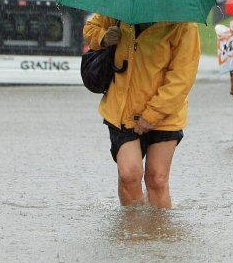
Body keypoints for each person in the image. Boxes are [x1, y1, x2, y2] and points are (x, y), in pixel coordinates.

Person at [83, 13, 200, 209]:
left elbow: (182, 78)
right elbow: (90, 29)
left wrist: (152, 115)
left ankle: (158, 234)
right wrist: (103, 37)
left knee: (157, 179)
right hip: (122, 109)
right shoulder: (119, 7)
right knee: (129, 175)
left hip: (166, 113)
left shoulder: (184, 24)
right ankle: (132, 232)